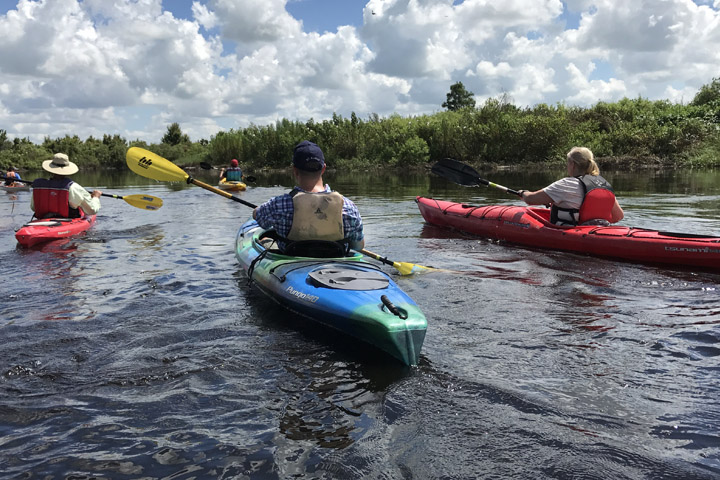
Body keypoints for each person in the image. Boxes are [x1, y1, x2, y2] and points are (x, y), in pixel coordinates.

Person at [252, 140, 364, 255]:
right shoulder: (349, 207)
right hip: (335, 265)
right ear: (323, 169)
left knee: (266, 240)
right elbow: (358, 246)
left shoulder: (279, 205)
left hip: (291, 261)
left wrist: (257, 210)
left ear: (295, 171)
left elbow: (259, 217)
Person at [517, 146, 624, 226]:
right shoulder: (603, 184)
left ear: (572, 164)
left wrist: (523, 193)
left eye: (567, 163)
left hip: (572, 234)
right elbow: (618, 216)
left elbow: (531, 199)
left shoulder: (566, 184)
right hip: (598, 232)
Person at [30, 153, 102, 219]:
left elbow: (33, 208)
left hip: (42, 220)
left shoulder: (39, 186)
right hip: (66, 221)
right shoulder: (73, 187)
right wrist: (96, 197)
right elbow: (92, 210)